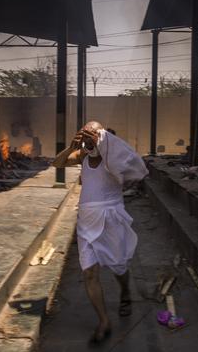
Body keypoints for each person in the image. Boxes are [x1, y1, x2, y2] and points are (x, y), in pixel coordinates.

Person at [51, 121, 148, 344]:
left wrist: (104, 145)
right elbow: (57, 163)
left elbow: (135, 167)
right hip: (86, 221)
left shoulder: (113, 159)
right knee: (89, 273)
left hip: (111, 219)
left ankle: (125, 292)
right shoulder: (83, 156)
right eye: (85, 134)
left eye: (93, 135)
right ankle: (103, 320)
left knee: (119, 265)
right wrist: (71, 146)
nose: (88, 139)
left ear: (104, 138)